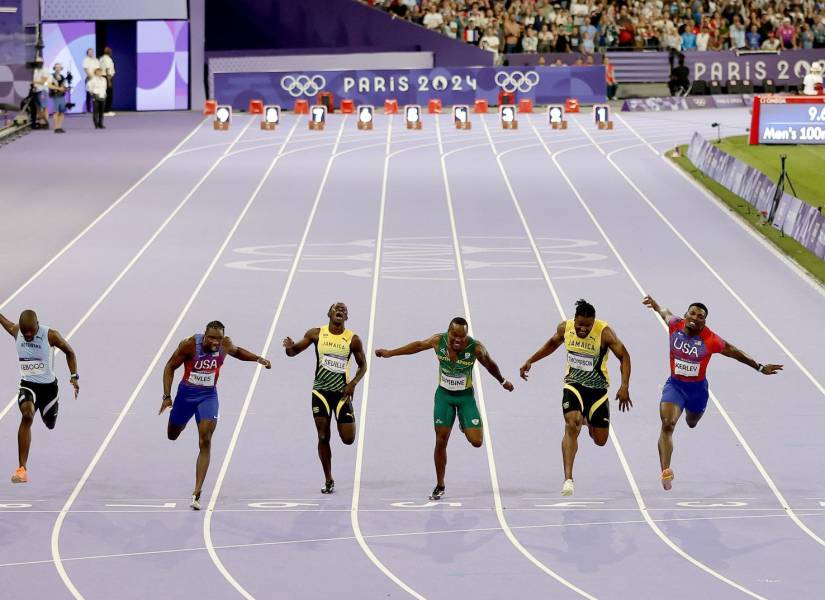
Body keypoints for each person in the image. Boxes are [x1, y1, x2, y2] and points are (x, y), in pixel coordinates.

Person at [642, 296, 782, 491]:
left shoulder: (710, 339)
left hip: (697, 391)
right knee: (668, 424)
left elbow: (735, 352)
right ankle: (665, 470)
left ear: (704, 322)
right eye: (692, 313)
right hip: (675, 386)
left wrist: (759, 367)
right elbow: (665, 312)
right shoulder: (675, 325)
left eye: (700, 316)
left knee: (692, 422)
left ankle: (692, 416)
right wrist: (656, 306)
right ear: (685, 315)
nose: (695, 318)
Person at [375, 317, 514, 501]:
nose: (457, 340)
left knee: (477, 441)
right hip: (444, 397)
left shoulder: (476, 348)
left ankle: (464, 424)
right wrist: (390, 353)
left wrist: (502, 381)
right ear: (448, 332)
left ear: (467, 335)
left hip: (465, 398)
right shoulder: (436, 341)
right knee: (441, 441)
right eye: (454, 336)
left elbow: (490, 365)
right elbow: (417, 346)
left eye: (462, 337)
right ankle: (440, 485)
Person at [519, 300, 631, 496]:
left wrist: (624, 386)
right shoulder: (566, 327)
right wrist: (531, 360)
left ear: (594, 322)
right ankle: (568, 479)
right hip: (573, 385)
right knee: (572, 423)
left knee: (600, 440)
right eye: (580, 324)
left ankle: (587, 418)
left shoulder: (604, 333)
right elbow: (552, 343)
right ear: (575, 319)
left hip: (598, 391)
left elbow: (624, 356)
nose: (582, 329)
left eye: (587, 326)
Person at [159, 321, 271, 509]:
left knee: (205, 439)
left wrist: (259, 359)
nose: (215, 342)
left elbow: (237, 352)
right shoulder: (189, 345)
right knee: (172, 435)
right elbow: (170, 366)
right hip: (186, 396)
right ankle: (184, 418)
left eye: (218, 338)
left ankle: (197, 491)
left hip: (208, 397)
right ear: (204, 334)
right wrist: (167, 396)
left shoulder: (224, 344)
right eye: (211, 337)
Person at [282, 302, 367, 494]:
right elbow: (293, 352)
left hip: (341, 394)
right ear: (329, 313)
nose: (340, 311)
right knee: (322, 436)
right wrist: (289, 347)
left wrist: (352, 383)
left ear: (347, 317)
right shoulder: (316, 334)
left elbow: (363, 366)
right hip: (320, 392)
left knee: (348, 439)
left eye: (344, 310)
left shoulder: (353, 339)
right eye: (337, 308)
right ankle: (328, 479)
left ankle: (342, 420)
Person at [0, 310, 79, 484]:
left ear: (37, 325)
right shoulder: (16, 331)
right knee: (27, 415)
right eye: (25, 335)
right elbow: (5, 321)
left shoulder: (50, 335)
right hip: (28, 385)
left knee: (50, 424)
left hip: (49, 390)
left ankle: (50, 411)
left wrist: (74, 376)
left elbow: (70, 352)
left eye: (31, 334)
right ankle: (22, 469)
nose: (27, 337)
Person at [47, 63, 68, 134]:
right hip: (55, 96)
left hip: (62, 96)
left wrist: (65, 88)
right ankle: (56, 128)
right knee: (56, 111)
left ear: (61, 68)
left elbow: (63, 86)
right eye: (56, 67)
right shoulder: (51, 76)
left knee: (62, 111)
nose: (58, 69)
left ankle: (59, 127)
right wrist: (58, 88)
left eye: (59, 67)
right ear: (54, 68)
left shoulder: (62, 76)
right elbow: (49, 85)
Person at [31, 58, 50, 129]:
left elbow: (43, 82)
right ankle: (40, 121)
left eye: (39, 62)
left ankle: (46, 122)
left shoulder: (45, 70)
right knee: (38, 107)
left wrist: (33, 82)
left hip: (43, 90)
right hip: (35, 91)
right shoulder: (34, 70)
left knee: (44, 107)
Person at [99, 47, 116, 116]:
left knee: (104, 94)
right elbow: (108, 69)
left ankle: (102, 110)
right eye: (110, 51)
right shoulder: (107, 59)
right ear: (109, 52)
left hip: (102, 77)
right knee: (109, 94)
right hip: (107, 77)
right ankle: (107, 110)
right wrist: (109, 81)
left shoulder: (101, 59)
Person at [82, 48, 99, 113]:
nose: (91, 53)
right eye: (90, 52)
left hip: (96, 78)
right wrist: (91, 77)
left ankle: (96, 109)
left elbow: (98, 69)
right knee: (89, 94)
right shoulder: (85, 60)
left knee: (96, 94)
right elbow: (86, 69)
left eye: (92, 52)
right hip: (89, 78)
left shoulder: (96, 60)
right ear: (87, 53)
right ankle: (88, 109)